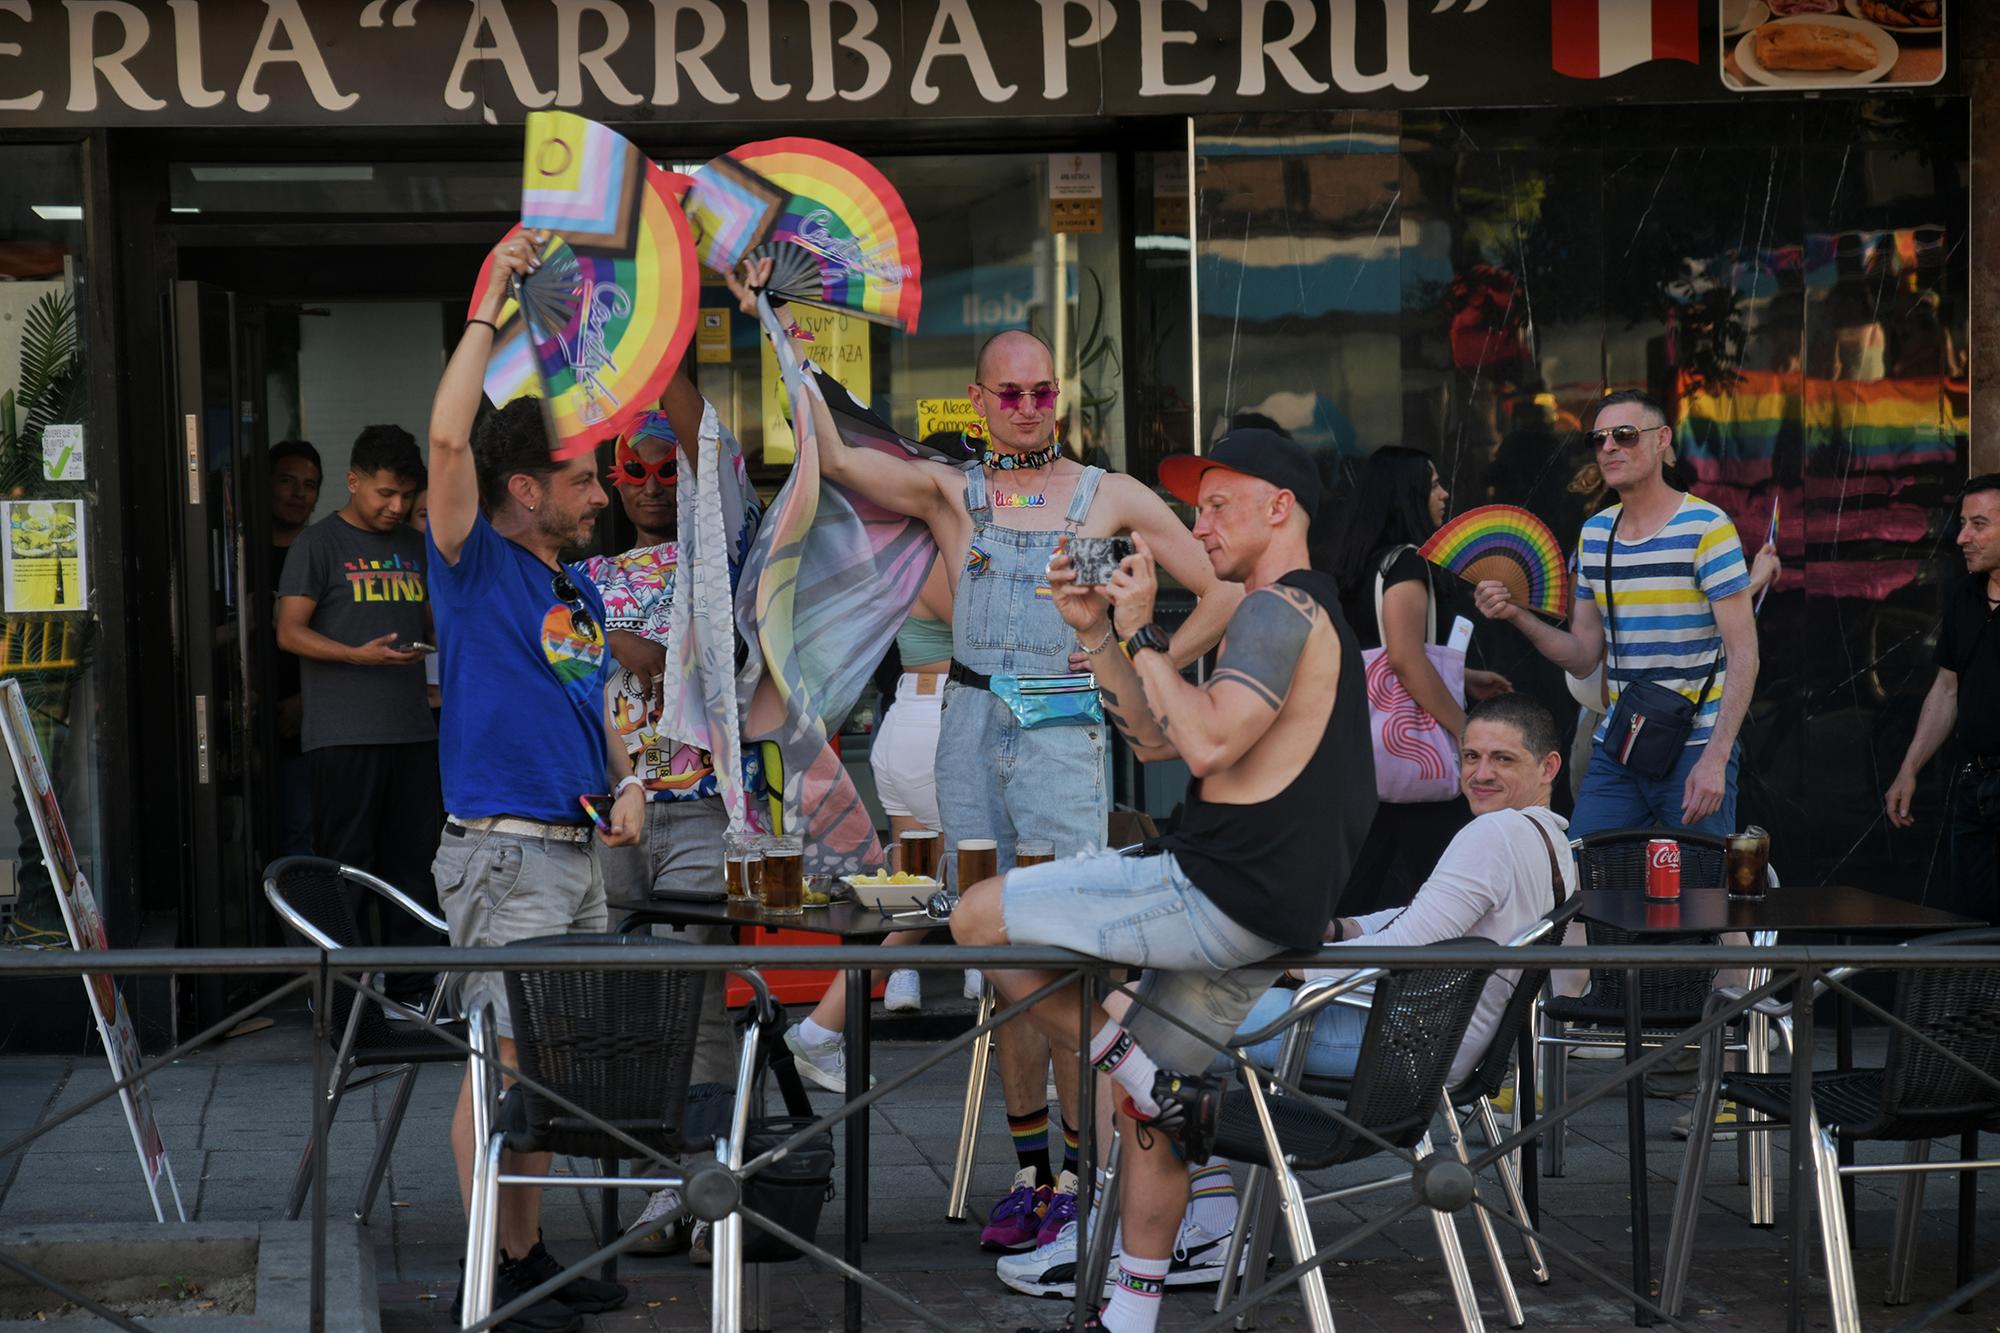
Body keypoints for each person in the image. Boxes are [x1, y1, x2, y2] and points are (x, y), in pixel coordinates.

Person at [726, 256, 1243, 1253]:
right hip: (966, 722)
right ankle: (1034, 1175)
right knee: (990, 952)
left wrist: (1140, 665)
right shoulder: (950, 491)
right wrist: (772, 324)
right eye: (1009, 392)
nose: (1027, 405)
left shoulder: (1106, 495)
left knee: (1064, 957)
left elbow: (1216, 583)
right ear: (978, 401)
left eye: (1042, 390)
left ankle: (1097, 1178)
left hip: (1058, 729)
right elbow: (828, 453)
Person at [950, 428, 1376, 1333]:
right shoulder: (1302, 612)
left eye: (1219, 504)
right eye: (1195, 506)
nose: (1199, 524)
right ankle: (1131, 1314)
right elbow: (1156, 736)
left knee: (979, 917)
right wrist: (1101, 634)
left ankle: (1135, 1068)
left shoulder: (1275, 610)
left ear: (1280, 507)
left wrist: (1146, 628)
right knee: (1156, 1117)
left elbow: (1208, 741)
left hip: (1217, 886)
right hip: (1265, 907)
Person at [429, 232, 643, 1332]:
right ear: (523, 486)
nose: (600, 493)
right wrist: (489, 301)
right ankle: (485, 1275)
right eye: (581, 476)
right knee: (498, 1065)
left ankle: (527, 1256)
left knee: (548, 1067)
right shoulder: (471, 557)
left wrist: (628, 779)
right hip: (506, 852)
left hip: (571, 851)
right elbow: (445, 431)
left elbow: (600, 698)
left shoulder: (575, 587)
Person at [582, 401, 765, 1261]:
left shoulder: (724, 556)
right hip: (615, 814)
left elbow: (659, 656)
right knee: (632, 1006)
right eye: (638, 470)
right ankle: (659, 1180)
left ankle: (712, 1177)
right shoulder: (582, 572)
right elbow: (582, 669)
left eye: (670, 468)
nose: (655, 485)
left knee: (695, 1000)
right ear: (616, 480)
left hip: (698, 809)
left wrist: (625, 644)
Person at [1231, 694, 1582, 1092]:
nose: (1481, 774)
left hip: (1409, 1042)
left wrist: (1291, 966)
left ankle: (1207, 1149)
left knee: (1176, 1013)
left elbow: (1407, 947)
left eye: (1503, 759)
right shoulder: (1551, 838)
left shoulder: (1495, 832)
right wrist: (1342, 929)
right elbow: (1429, 915)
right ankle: (1203, 1146)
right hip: (1446, 1037)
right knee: (1170, 1018)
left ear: (1548, 767)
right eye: (1471, 757)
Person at [1474, 389, 1757, 839]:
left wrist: (1716, 758)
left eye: (1624, 435)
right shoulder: (1596, 533)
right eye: (1598, 438)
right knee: (1585, 876)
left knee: (1696, 895)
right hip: (1622, 741)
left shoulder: (1707, 527)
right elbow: (1584, 655)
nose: (1609, 447)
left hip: (1694, 743)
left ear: (1662, 440)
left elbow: (1744, 654)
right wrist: (1516, 614)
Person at [275, 425, 442, 1004]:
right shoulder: (317, 545)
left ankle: (416, 994)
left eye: (405, 496)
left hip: (412, 731)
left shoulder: (415, 545)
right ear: (354, 482)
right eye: (385, 494)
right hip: (341, 735)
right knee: (347, 869)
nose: (397, 507)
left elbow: (431, 624)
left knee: (415, 868)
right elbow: (288, 632)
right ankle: (346, 1000)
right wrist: (356, 655)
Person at [782, 561, 961, 1093]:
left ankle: (820, 1027)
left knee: (918, 902)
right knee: (979, 891)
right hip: (944, 721)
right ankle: (1048, 1046)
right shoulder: (948, 548)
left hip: (908, 716)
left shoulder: (910, 551)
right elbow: (991, 634)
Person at [1326, 446, 1512, 915]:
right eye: (1432, 484)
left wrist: (1464, 677)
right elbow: (1406, 659)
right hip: (1414, 753)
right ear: (1406, 494)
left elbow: (1377, 653)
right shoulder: (1406, 564)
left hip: (1363, 749)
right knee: (1450, 885)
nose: (1444, 493)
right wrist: (1467, 732)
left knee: (1362, 886)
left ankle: (1323, 971)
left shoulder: (1358, 564)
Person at [1887, 475, 2000, 923]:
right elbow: (1946, 689)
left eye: (1978, 524)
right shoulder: (1963, 598)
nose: (1962, 538)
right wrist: (1909, 767)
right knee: (1971, 926)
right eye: (1962, 524)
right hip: (1974, 785)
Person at [268, 438, 322, 856]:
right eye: (288, 481)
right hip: (235, 719)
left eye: (309, 484)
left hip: (302, 718)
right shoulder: (234, 551)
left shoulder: (321, 553)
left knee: (299, 835)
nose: (299, 493)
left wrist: (308, 701)